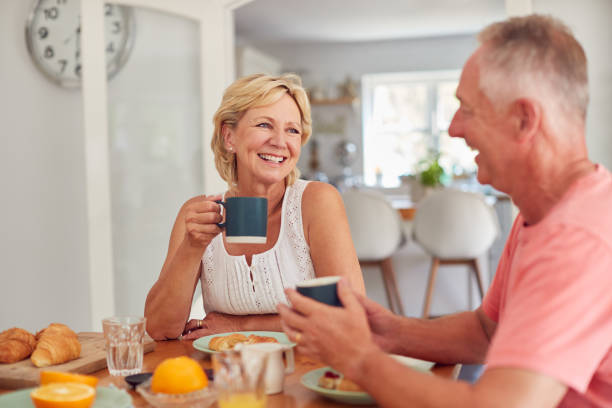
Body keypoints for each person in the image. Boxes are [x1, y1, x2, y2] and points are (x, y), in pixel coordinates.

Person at [278, 14, 612, 407]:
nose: (454, 128)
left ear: (524, 120)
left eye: (467, 109)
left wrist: (357, 357)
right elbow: (487, 333)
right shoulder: (542, 212)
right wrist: (387, 331)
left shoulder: (578, 237)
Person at [145, 73, 365, 340]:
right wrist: (192, 247)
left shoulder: (317, 202)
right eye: (264, 125)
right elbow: (158, 328)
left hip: (305, 370)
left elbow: (351, 316)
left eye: (292, 130)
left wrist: (242, 326)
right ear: (229, 137)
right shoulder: (198, 214)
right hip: (226, 372)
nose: (280, 141)